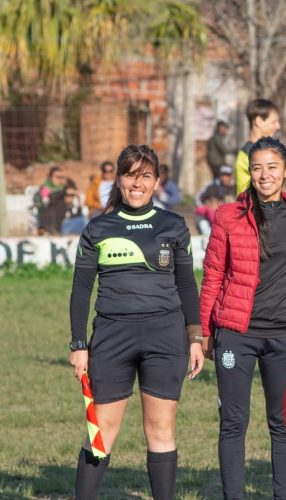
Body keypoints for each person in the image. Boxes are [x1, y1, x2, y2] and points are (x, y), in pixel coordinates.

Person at [69, 145, 204, 500]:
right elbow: (81, 289)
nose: (137, 183)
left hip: (165, 336)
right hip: (113, 336)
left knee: (160, 429)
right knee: (102, 431)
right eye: (130, 174)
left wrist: (195, 337)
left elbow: (187, 284)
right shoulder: (98, 228)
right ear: (119, 179)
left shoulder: (173, 225)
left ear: (156, 181)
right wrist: (78, 345)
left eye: (145, 175)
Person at [199, 136, 286, 500]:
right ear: (249, 173)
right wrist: (203, 332)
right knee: (234, 422)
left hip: (285, 337)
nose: (264, 175)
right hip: (236, 334)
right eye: (257, 168)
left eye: (272, 167)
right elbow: (212, 277)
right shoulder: (227, 217)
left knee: (283, 423)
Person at [34, 165, 67, 234]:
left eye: (61, 177)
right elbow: (44, 202)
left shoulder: (61, 188)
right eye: (57, 177)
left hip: (59, 219)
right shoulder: (45, 187)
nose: (59, 179)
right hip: (46, 219)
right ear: (50, 177)